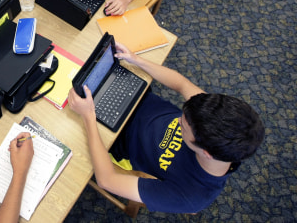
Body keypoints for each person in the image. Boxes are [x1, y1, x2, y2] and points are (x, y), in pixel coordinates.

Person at [67, 42, 265, 214]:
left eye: (183, 126)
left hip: (119, 140)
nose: (179, 120)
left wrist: (88, 117)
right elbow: (181, 84)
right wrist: (136, 59)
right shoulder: (215, 117)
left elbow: (106, 180)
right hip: (137, 97)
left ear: (206, 153)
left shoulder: (189, 195)